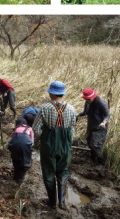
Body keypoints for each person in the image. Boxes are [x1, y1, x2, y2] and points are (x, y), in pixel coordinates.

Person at [33, 81, 77, 210]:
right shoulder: (72, 108)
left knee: (48, 172)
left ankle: (52, 202)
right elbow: (72, 130)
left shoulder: (45, 108)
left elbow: (35, 128)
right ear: (62, 93)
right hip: (65, 146)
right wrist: (67, 143)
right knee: (63, 171)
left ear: (52, 93)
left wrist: (45, 138)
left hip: (49, 145)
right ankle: (62, 202)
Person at [78, 88, 110, 165]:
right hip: (91, 126)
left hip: (100, 128)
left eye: (89, 99)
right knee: (89, 144)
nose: (88, 100)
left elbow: (107, 115)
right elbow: (85, 112)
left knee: (95, 146)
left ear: (93, 96)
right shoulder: (87, 103)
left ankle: (101, 164)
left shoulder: (100, 102)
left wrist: (104, 122)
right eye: (86, 99)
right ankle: (92, 160)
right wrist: (78, 114)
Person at [8, 117, 34, 183]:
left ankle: (15, 176)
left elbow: (12, 138)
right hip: (25, 144)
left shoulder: (16, 128)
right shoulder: (30, 128)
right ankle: (22, 176)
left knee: (15, 158)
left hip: (15, 144)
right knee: (25, 159)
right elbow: (32, 141)